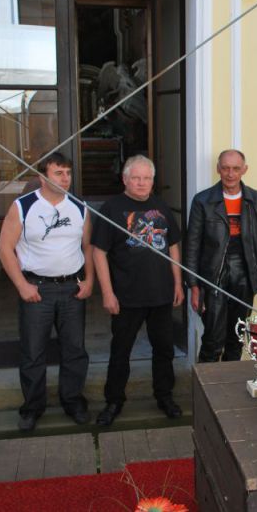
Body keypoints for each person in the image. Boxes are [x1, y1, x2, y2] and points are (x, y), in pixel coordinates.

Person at [0, 152, 94, 431]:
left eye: (68, 173)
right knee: (33, 352)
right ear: (42, 176)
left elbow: (87, 246)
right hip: (36, 290)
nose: (65, 179)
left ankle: (73, 402)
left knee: (75, 350)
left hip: (72, 288)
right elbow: (5, 248)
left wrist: (89, 280)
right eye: (58, 173)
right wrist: (22, 285)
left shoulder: (79, 207)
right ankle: (32, 408)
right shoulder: (23, 206)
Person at [92, 155, 184, 426]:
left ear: (153, 181)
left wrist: (177, 282)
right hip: (126, 297)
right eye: (136, 178)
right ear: (125, 179)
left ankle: (164, 396)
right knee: (121, 351)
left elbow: (173, 246)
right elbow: (99, 252)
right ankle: (114, 401)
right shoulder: (111, 208)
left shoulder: (161, 207)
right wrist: (107, 293)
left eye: (147, 178)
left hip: (161, 294)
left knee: (164, 350)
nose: (142, 183)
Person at [186, 149, 257, 363]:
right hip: (213, 276)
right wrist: (194, 286)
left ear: (244, 170)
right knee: (213, 340)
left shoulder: (256, 200)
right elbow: (192, 246)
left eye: (236, 168)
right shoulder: (202, 200)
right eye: (225, 168)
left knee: (236, 338)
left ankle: (230, 383)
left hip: (245, 275)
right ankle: (206, 383)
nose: (230, 174)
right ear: (218, 169)